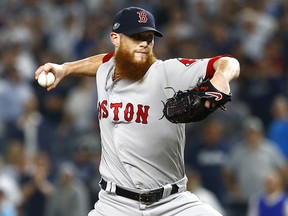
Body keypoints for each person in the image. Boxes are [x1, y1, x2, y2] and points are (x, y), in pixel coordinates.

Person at [35, 6, 240, 216]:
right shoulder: (106, 69)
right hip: (114, 205)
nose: (144, 43)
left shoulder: (167, 73)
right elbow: (105, 61)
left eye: (149, 37)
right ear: (115, 38)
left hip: (173, 203)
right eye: (136, 36)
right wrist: (65, 69)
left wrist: (221, 78)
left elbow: (228, 62)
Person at [223, 116, 288, 216]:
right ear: (245, 134)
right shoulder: (238, 150)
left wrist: (280, 187)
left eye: (255, 133)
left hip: (265, 199)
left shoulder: (270, 149)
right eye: (249, 133)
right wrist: (232, 187)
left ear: (261, 133)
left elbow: (284, 168)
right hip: (243, 198)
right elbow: (227, 171)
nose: (252, 136)